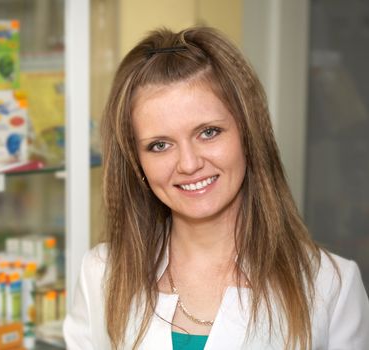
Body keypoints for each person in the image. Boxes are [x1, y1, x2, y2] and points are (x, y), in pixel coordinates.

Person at [63, 26, 369, 350]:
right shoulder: (101, 275)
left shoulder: (330, 285)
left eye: (208, 132)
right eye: (159, 145)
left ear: (249, 135)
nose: (189, 163)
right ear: (137, 163)